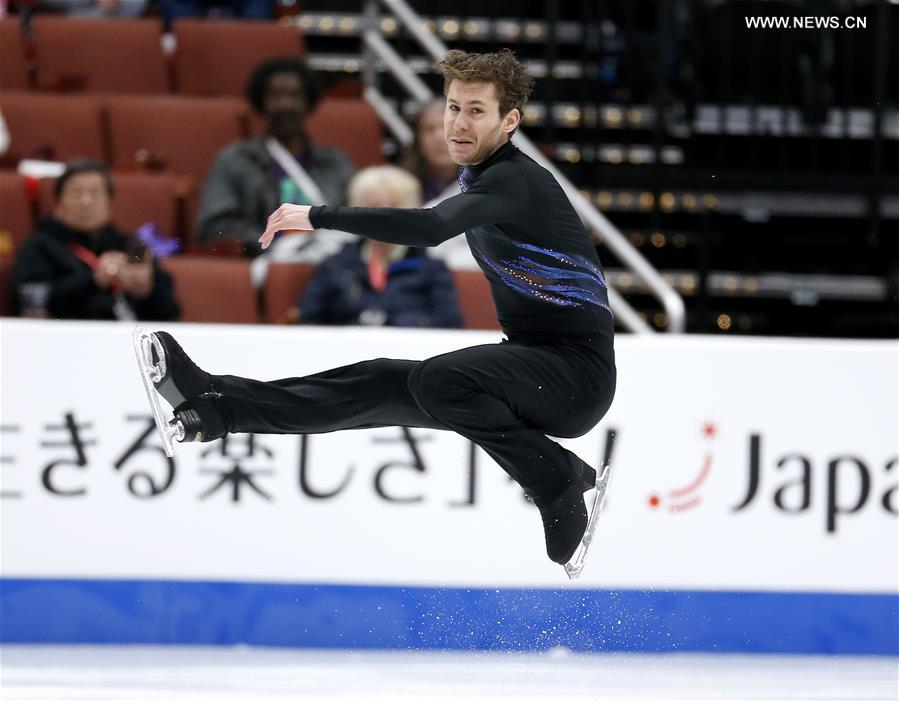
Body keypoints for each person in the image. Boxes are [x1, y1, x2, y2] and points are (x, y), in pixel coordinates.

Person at [140, 49, 616, 572]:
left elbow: (430, 228)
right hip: (530, 365)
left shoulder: (515, 180)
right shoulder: (482, 178)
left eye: (476, 111)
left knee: (439, 381)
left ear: (509, 121)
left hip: (574, 376)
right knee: (377, 382)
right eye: (452, 107)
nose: (458, 122)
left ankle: (558, 480)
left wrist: (319, 216)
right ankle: (219, 405)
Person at [195, 57, 355, 257]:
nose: (285, 105)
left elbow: (357, 216)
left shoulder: (334, 163)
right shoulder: (236, 160)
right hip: (267, 262)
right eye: (275, 96)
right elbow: (215, 225)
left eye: (295, 96)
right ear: (261, 103)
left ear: (308, 102)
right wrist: (272, 244)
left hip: (332, 262)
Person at [292, 165, 462, 329]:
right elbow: (309, 318)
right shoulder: (336, 265)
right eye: (374, 208)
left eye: (394, 207)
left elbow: (448, 323)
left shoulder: (431, 268)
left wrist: (388, 323)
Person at [11, 159, 180, 321]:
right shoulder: (39, 246)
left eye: (96, 193)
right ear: (58, 203)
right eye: (77, 193)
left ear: (109, 204)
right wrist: (93, 280)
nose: (87, 202)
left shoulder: (130, 245)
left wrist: (147, 289)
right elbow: (28, 302)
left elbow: (171, 311)